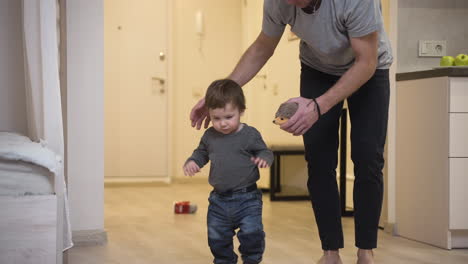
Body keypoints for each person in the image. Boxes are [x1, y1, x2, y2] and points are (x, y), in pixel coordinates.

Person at [190, 0, 393, 263]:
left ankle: (366, 251)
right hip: (318, 68)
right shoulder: (278, 2)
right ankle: (330, 252)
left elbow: (366, 62)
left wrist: (318, 106)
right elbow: (263, 46)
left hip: (369, 69)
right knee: (319, 160)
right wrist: (217, 96)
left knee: (368, 158)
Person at [184, 79, 273, 264]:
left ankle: (252, 260)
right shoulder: (210, 136)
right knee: (217, 238)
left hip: (247, 199)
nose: (223, 123)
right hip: (218, 201)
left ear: (241, 111)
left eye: (228, 117)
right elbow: (201, 152)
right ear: (209, 114)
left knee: (252, 234)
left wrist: (264, 159)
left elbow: (264, 151)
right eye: (216, 118)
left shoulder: (249, 135)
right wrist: (193, 161)